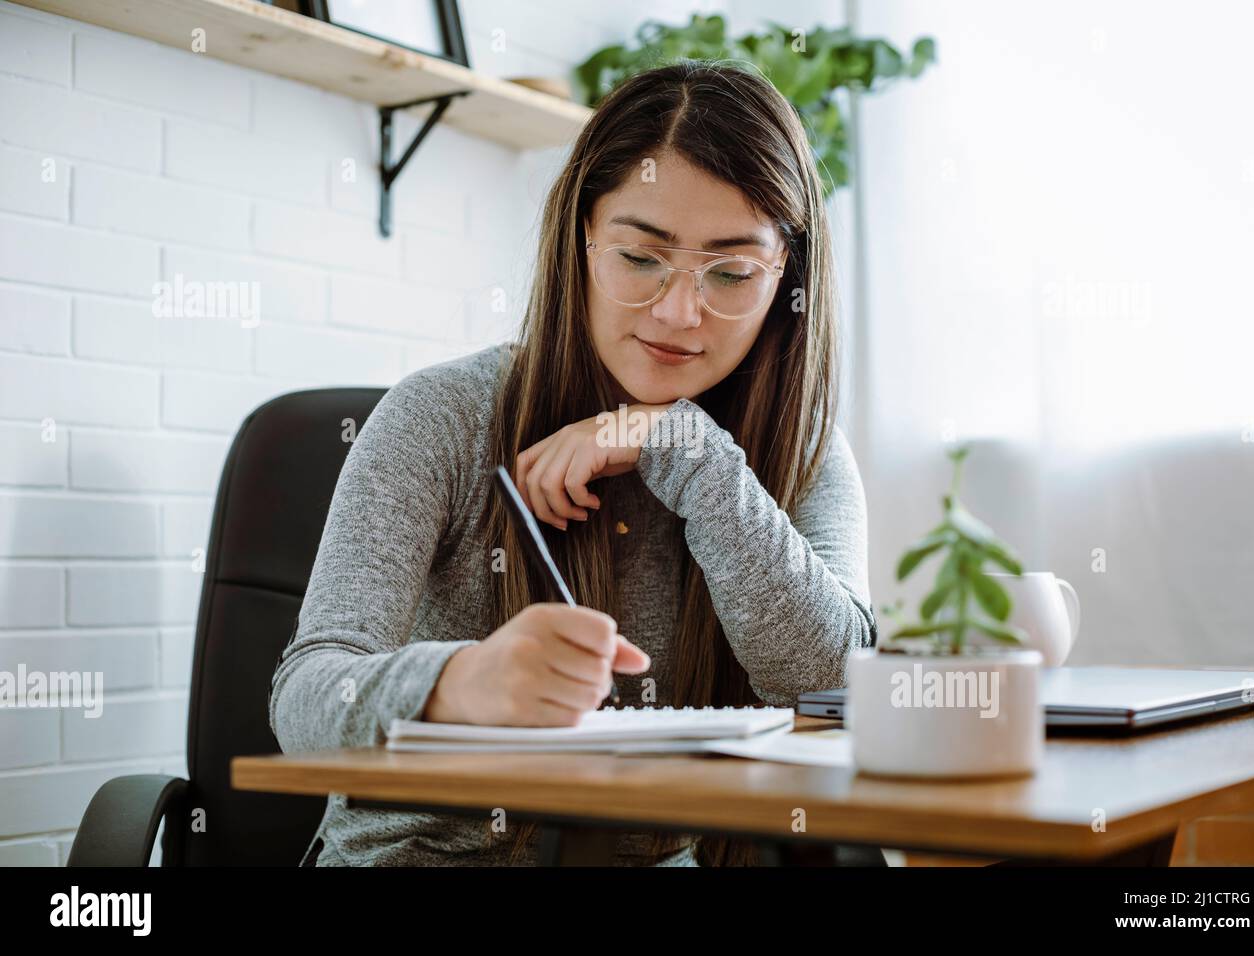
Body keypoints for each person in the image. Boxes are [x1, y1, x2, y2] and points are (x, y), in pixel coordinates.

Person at [270, 59, 877, 867]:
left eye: (731, 272)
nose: (678, 312)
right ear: (579, 240)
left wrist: (689, 449)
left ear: (785, 280)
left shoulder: (796, 450)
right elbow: (307, 700)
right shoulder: (443, 415)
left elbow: (836, 688)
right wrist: (463, 685)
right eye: (639, 258)